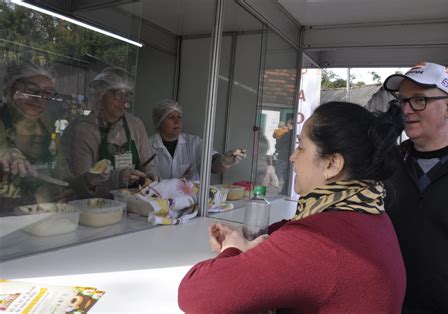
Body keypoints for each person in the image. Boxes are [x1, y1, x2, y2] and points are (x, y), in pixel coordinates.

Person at [178, 101, 406, 313]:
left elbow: (195, 295)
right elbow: (288, 233)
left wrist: (233, 249)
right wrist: (250, 240)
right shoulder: (368, 212)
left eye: (301, 147)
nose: (292, 157)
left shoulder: (319, 241)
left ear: (332, 163)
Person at [383, 62, 448, 313]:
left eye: (419, 100)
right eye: (402, 101)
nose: (407, 110)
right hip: (394, 305)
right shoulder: (390, 164)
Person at [0, 62, 107, 213]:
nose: (39, 98)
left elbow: (62, 179)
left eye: (47, 93)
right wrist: (34, 200)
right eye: (31, 90)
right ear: (10, 90)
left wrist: (86, 181)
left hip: (45, 222)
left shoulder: (47, 127)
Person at [62, 67, 158, 197]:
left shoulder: (135, 124)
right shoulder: (83, 129)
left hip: (132, 204)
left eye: (127, 95)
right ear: (101, 94)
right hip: (95, 207)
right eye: (118, 94)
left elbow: (148, 163)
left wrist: (151, 174)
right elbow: (82, 184)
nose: (124, 101)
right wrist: (117, 179)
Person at [149, 99, 246, 181]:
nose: (177, 121)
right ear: (159, 121)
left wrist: (224, 161)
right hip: (157, 201)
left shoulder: (194, 142)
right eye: (171, 117)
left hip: (191, 201)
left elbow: (213, 164)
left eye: (179, 117)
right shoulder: (147, 145)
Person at [273, 118, 293, 194]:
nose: (286, 125)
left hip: (282, 157)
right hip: (289, 159)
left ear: (289, 124)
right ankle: (284, 192)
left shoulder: (286, 134)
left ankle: (273, 193)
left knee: (276, 176)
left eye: (287, 123)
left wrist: (277, 142)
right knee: (286, 178)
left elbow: (277, 146)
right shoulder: (295, 134)